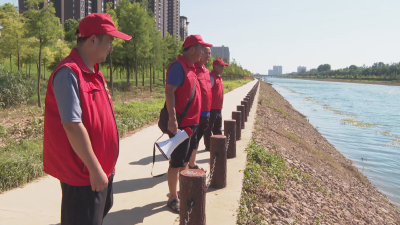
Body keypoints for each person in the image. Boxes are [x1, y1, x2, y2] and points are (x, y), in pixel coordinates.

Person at [43, 13, 131, 225]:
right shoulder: (69, 73)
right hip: (83, 175)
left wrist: (105, 167)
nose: (112, 48)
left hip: (100, 171)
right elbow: (72, 126)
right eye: (109, 42)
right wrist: (94, 168)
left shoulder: (94, 73)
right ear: (93, 40)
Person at [165, 35, 212, 213]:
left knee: (184, 161)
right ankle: (172, 197)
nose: (203, 52)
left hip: (192, 125)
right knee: (175, 163)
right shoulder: (179, 67)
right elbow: (169, 91)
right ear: (192, 49)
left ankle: (180, 190)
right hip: (181, 125)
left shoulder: (191, 67)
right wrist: (172, 118)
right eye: (201, 48)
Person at [188, 47, 212, 172]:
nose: (208, 55)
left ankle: (192, 162)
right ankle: (188, 163)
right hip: (197, 111)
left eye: (210, 53)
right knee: (193, 138)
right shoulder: (194, 69)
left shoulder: (206, 71)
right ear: (200, 52)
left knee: (198, 137)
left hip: (206, 111)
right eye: (206, 53)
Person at [204, 58, 229, 150]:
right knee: (208, 128)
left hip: (218, 108)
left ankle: (218, 144)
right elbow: (206, 93)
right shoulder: (211, 77)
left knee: (218, 128)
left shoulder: (218, 78)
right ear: (215, 66)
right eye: (221, 66)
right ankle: (209, 146)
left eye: (223, 66)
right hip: (211, 108)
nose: (223, 68)